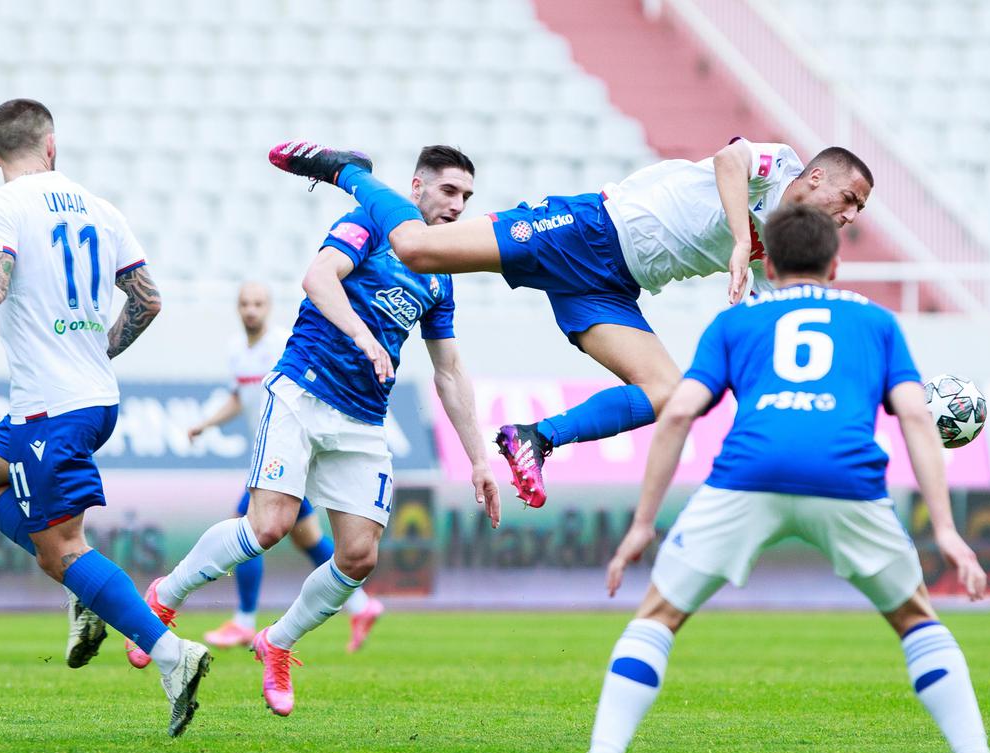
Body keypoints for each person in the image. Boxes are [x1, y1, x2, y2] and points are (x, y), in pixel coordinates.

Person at [550, 204, 990, 753]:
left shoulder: (736, 324)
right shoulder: (876, 323)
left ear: (768, 263)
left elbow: (675, 412)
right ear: (835, 264)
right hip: (846, 478)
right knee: (917, 622)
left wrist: (643, 524)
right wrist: (947, 530)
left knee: (657, 618)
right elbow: (913, 415)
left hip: (749, 474)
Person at [268, 139, 873, 508]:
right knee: (422, 249)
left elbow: (782, 326)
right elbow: (729, 158)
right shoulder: (781, 165)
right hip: (590, 228)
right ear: (816, 177)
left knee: (669, 393)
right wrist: (742, 240)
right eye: (848, 199)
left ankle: (535, 438)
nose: (849, 216)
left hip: (611, 289)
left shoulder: (789, 245)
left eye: (858, 211)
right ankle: (350, 172)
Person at [0, 99, 211, 737]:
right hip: (83, 398)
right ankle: (86, 590)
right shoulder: (101, 209)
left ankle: (172, 655)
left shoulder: (0, 206)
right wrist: (94, 351)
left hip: (54, 406)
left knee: (61, 552)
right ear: (53, 147)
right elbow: (148, 300)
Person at [135, 146, 501, 716]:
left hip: (363, 418)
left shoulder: (441, 274)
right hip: (303, 392)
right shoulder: (372, 221)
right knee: (270, 526)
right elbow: (318, 278)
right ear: (417, 187)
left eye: (467, 198)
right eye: (449, 191)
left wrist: (478, 458)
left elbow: (449, 370)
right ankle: (165, 596)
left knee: (358, 557)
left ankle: (276, 642)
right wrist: (364, 335)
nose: (458, 206)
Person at [138, 281, 382, 661]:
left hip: (294, 453)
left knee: (248, 522)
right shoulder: (238, 350)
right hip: (273, 455)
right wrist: (207, 423)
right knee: (306, 540)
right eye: (245, 304)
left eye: (258, 303)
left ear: (268, 307)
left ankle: (245, 618)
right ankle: (361, 604)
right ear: (238, 308)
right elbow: (240, 396)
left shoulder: (286, 345)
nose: (251, 310)